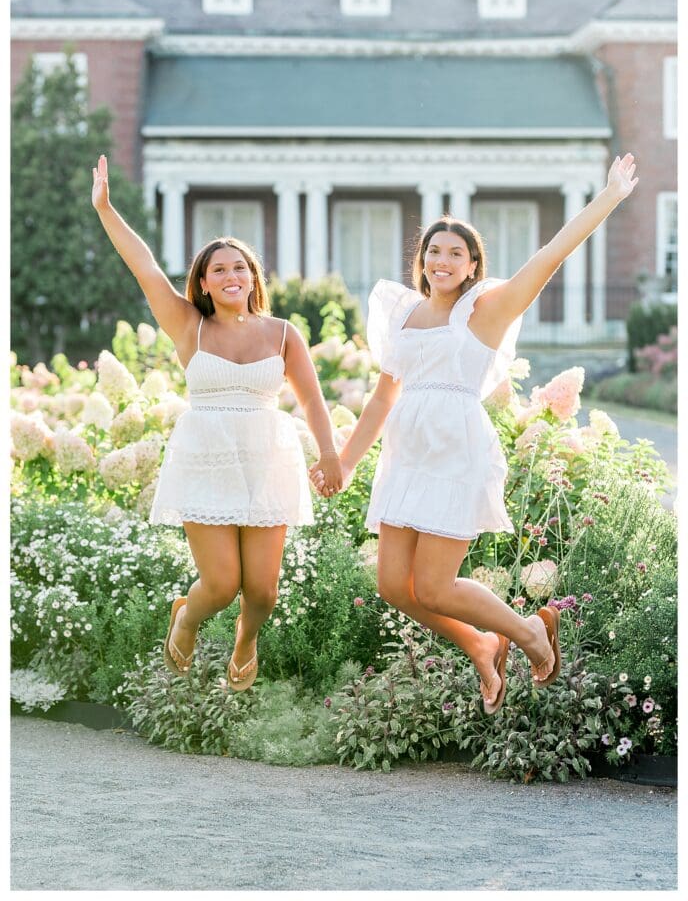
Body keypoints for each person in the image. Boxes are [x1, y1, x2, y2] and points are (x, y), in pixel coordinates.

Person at [310, 154, 638, 715]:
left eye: (454, 253)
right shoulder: (401, 316)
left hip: (455, 452)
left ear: (472, 264)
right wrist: (343, 461)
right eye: (433, 251)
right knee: (393, 585)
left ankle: (530, 632)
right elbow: (383, 399)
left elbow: (550, 255)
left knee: (435, 587)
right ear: (422, 260)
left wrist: (609, 195)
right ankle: (484, 645)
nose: (442, 260)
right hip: (405, 456)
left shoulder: (483, 312)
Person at [91, 155, 342, 689]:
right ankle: (186, 618)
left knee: (264, 592)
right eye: (220, 269)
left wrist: (330, 454)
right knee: (223, 584)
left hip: (266, 459)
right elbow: (144, 266)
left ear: (253, 278)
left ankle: (246, 640)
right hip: (205, 457)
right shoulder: (189, 326)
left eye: (240, 267)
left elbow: (313, 400)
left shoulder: (283, 333)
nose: (232, 275)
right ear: (203, 283)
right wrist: (106, 209)